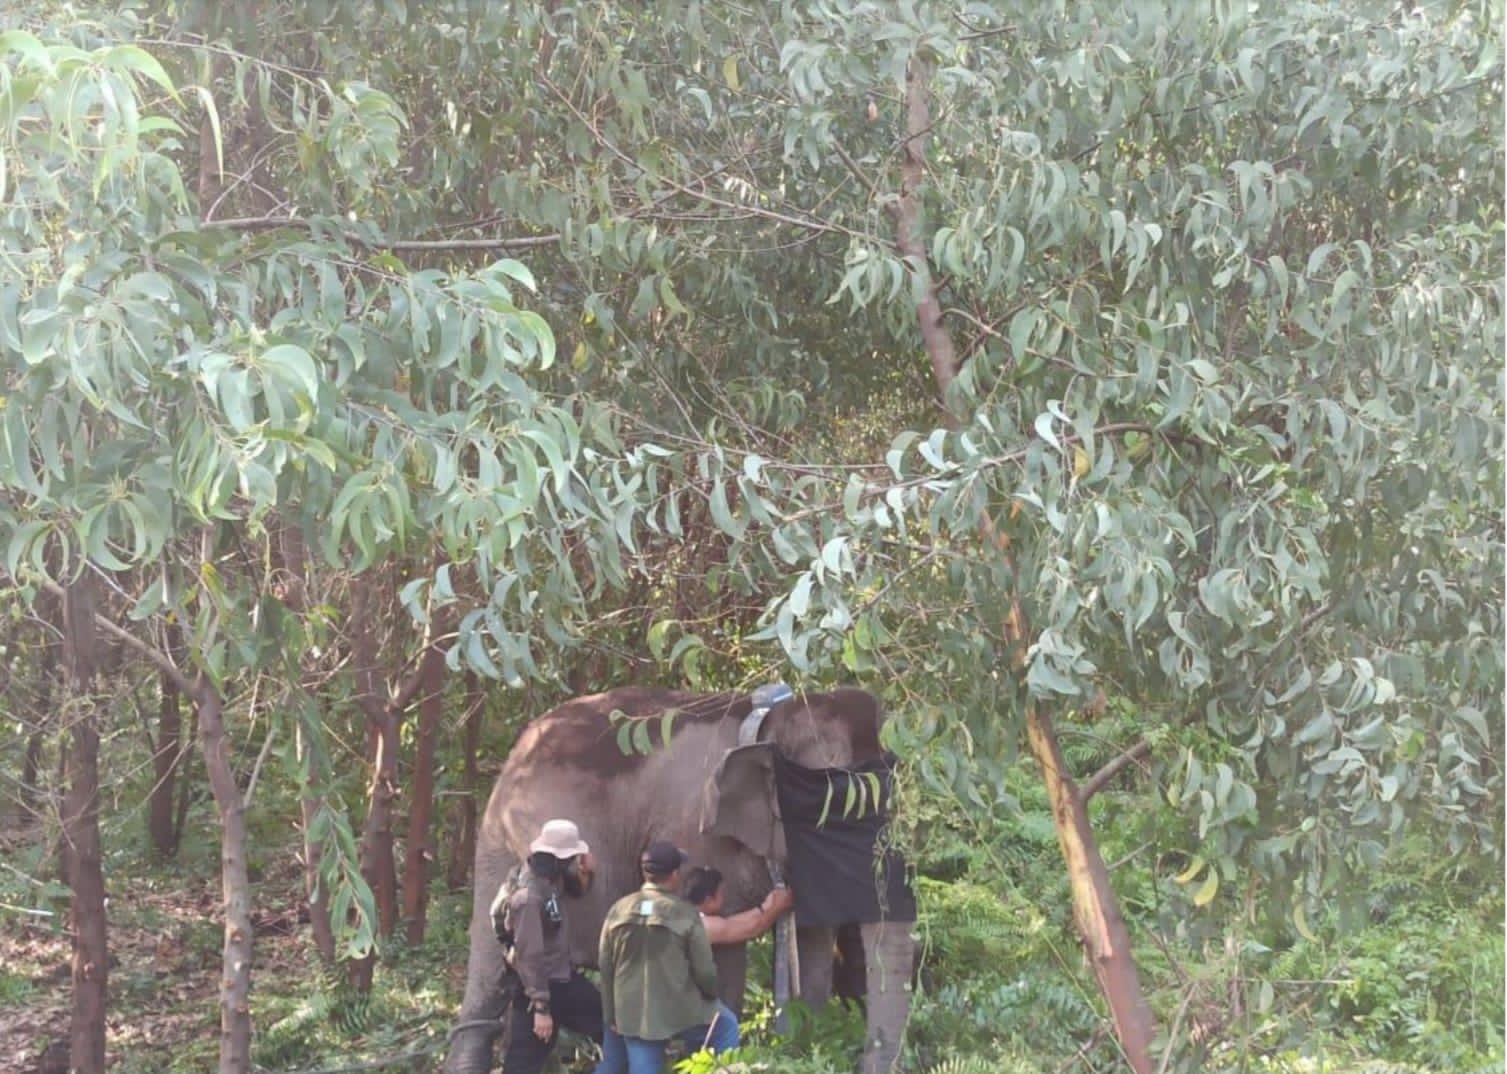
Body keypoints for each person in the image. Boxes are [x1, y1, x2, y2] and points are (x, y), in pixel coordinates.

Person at [593, 841, 739, 1074]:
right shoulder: (685, 913)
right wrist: (710, 996)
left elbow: (605, 965)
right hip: (677, 1009)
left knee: (622, 1063)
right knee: (726, 1026)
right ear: (674, 875)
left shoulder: (618, 909)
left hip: (628, 1011)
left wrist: (611, 1015)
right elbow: (705, 972)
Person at [491, 818, 604, 1074]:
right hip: (538, 989)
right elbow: (528, 955)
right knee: (523, 1063)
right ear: (562, 859)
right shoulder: (527, 898)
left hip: (561, 980)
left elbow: (575, 891)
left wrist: (589, 870)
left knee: (607, 1022)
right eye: (574, 857)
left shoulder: (549, 878)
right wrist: (541, 1008)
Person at [682, 865, 795, 946]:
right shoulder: (704, 927)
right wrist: (779, 906)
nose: (724, 897)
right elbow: (752, 929)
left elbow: (730, 922)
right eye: (721, 893)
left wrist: (765, 907)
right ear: (708, 900)